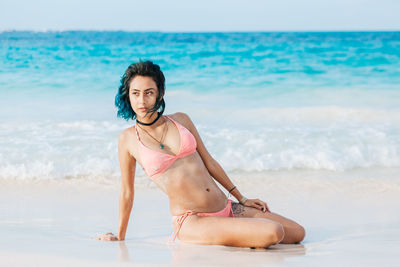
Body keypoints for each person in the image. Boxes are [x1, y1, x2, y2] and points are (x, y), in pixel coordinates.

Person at [96, 61, 305, 248]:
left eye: (149, 92)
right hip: (192, 220)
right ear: (128, 95)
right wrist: (120, 236)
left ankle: (242, 233)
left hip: (226, 207)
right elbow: (127, 192)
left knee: (297, 232)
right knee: (273, 231)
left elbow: (209, 161)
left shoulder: (181, 120)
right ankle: (244, 235)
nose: (142, 100)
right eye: (136, 93)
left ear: (160, 93)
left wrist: (242, 197)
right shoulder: (128, 139)